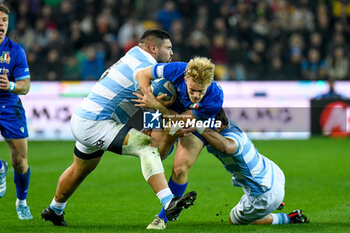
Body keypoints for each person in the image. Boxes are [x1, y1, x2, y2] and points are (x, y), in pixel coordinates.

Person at [40, 29, 196, 227]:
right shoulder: (147, 67)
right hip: (95, 123)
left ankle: (55, 209)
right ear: (153, 48)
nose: (172, 53)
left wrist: (153, 121)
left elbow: (138, 101)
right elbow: (152, 103)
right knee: (147, 146)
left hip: (85, 117)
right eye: (169, 48)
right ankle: (169, 201)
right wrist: (167, 123)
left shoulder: (132, 55)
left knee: (80, 169)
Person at [132, 57, 224, 229]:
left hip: (196, 125)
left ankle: (162, 218)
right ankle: (165, 141)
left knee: (180, 168)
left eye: (201, 92)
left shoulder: (214, 99)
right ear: (186, 78)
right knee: (155, 154)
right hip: (169, 114)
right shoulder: (176, 70)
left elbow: (181, 121)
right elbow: (141, 74)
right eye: (193, 90)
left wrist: (157, 106)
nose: (196, 95)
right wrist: (150, 100)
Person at [0, 4, 33, 220]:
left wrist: (10, 86)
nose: (0, 24)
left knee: (20, 161)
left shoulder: (15, 51)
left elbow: (26, 86)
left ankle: (21, 202)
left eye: (4, 20)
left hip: (9, 106)